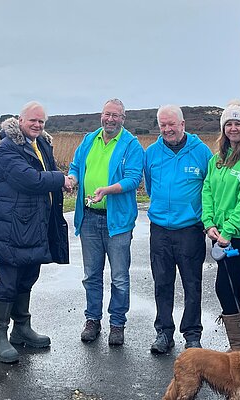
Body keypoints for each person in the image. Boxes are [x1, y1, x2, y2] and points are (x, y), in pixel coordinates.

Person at [0, 101, 70, 363]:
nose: (37, 125)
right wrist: (62, 179)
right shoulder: (7, 148)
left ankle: (21, 328)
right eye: (32, 120)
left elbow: (45, 172)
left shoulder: (43, 144)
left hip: (36, 225)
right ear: (20, 121)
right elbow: (29, 179)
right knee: (8, 282)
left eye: (41, 122)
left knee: (28, 278)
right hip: (11, 227)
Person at [67, 98, 144, 346]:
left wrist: (107, 190)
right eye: (107, 114)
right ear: (101, 115)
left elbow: (133, 179)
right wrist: (72, 179)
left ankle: (117, 323)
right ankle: (92, 320)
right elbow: (76, 166)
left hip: (118, 222)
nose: (110, 119)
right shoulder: (90, 139)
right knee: (91, 275)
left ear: (123, 119)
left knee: (119, 277)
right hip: (89, 218)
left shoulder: (131, 144)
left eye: (116, 116)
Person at [145, 104, 213, 353]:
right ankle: (164, 333)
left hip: (190, 230)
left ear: (183, 124)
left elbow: (209, 189)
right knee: (162, 283)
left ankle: (192, 335)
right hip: (160, 229)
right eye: (163, 125)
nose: (167, 129)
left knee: (192, 284)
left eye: (171, 124)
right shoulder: (152, 153)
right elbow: (150, 187)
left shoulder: (201, 152)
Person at [201, 100, 240, 351]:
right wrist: (209, 223)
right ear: (223, 128)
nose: (233, 128)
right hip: (219, 234)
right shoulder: (217, 158)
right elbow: (208, 191)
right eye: (229, 124)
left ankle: (239, 346)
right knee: (237, 284)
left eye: (238, 123)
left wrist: (228, 232)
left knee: (224, 287)